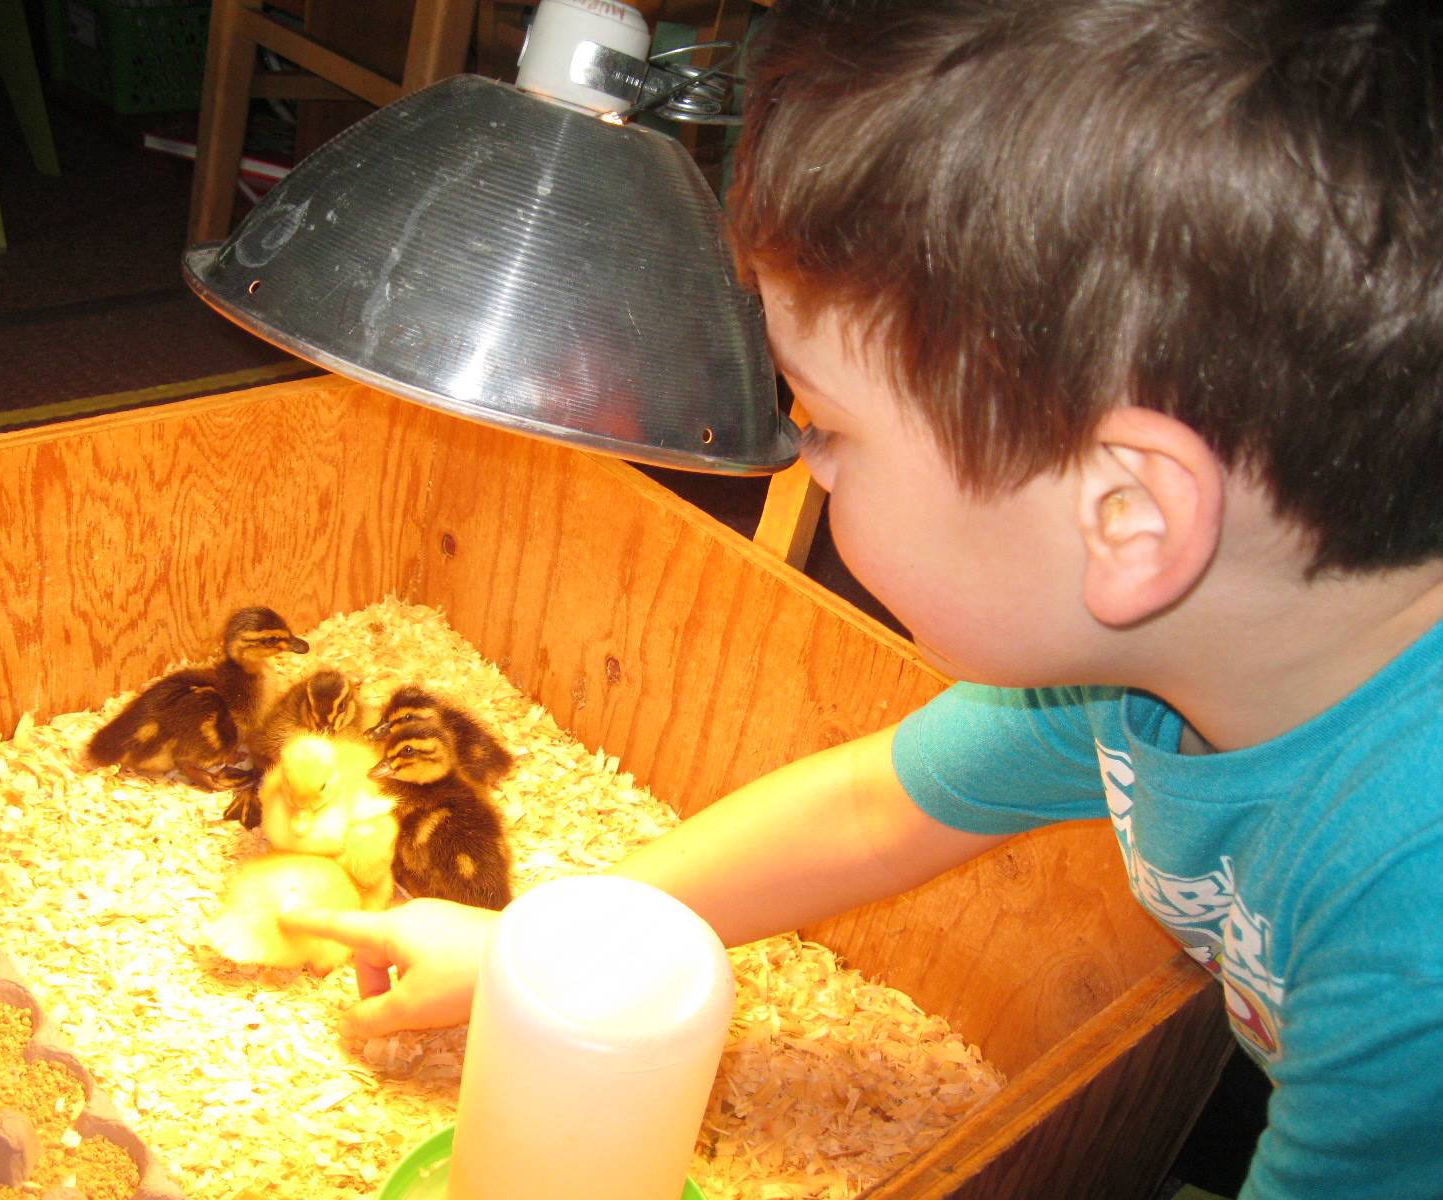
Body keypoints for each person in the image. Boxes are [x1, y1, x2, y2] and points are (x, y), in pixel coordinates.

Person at [283, 1, 1443, 1195]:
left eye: (827, 423)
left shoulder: (1415, 930)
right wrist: (533, 953)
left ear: (1125, 517)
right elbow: (868, 810)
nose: (802, 459)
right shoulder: (1132, 670)